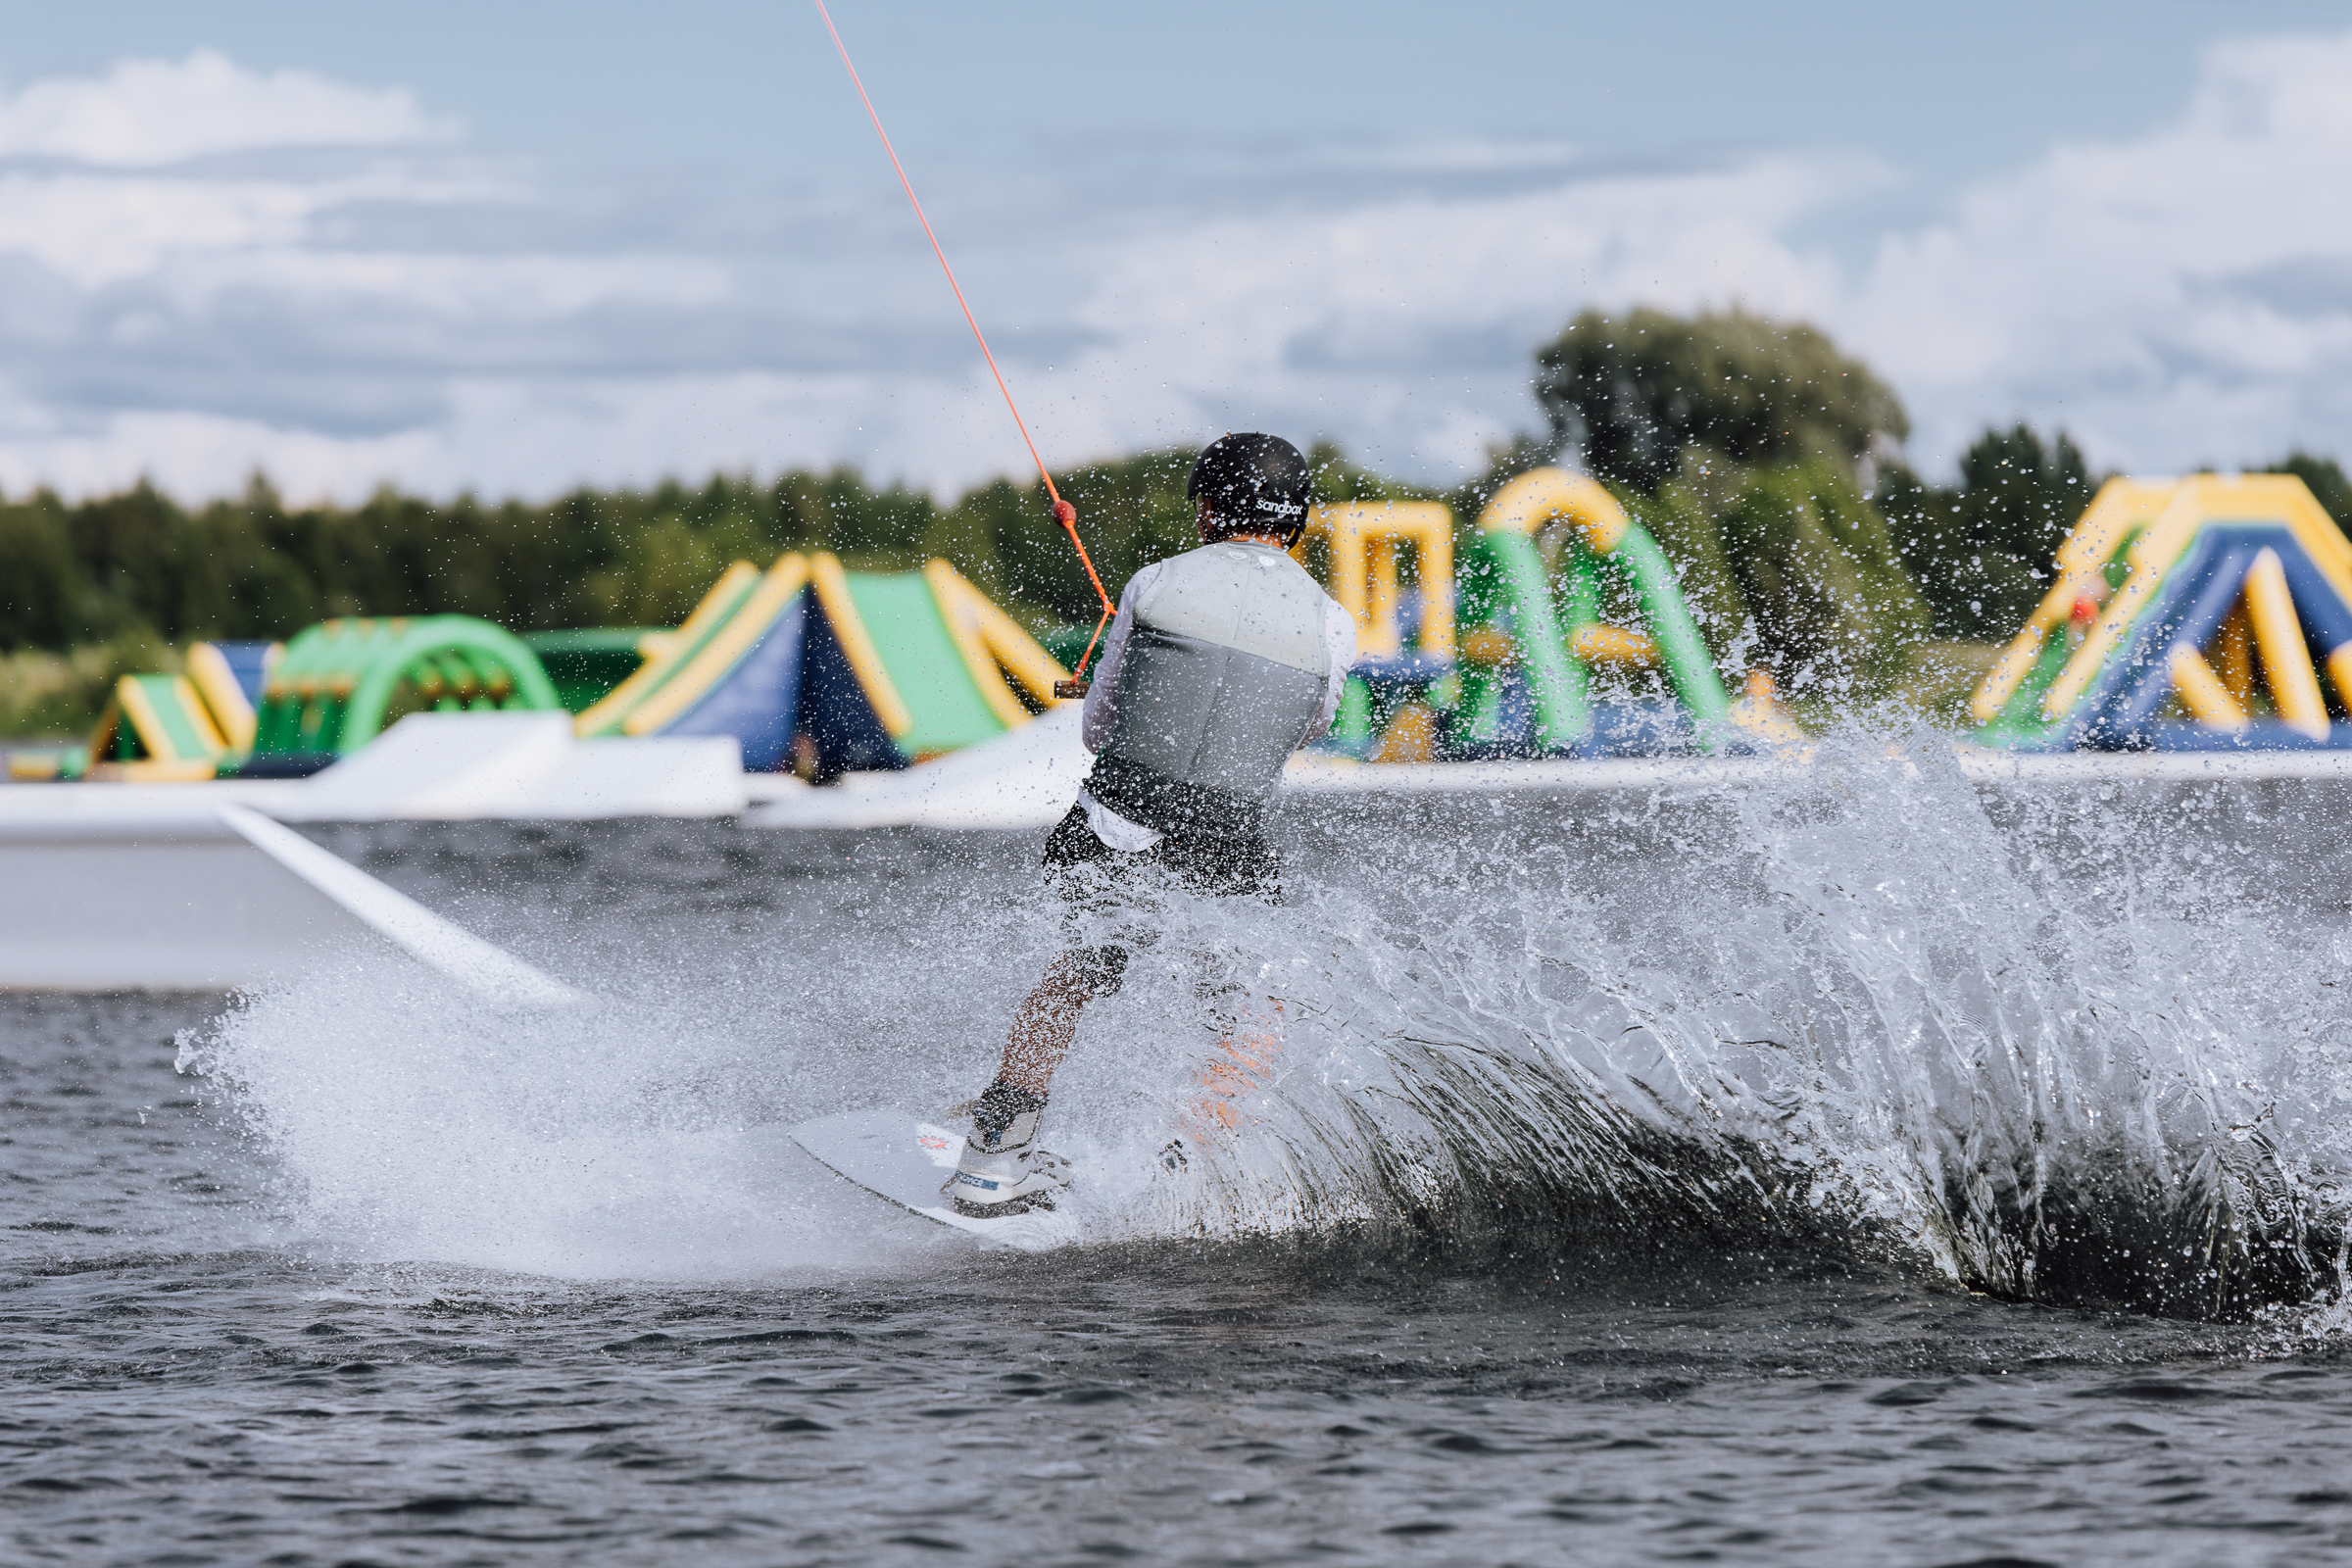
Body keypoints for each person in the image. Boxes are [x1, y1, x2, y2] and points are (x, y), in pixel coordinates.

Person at [946, 432, 1357, 1217]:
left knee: (1073, 978)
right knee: (1249, 1006)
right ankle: (1193, 1176)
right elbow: (1303, 729)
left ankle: (990, 1163)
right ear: (1296, 520)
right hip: (1227, 843)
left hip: (1112, 825)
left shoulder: (1154, 581)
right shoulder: (1334, 622)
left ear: (1207, 508)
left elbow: (1097, 731)